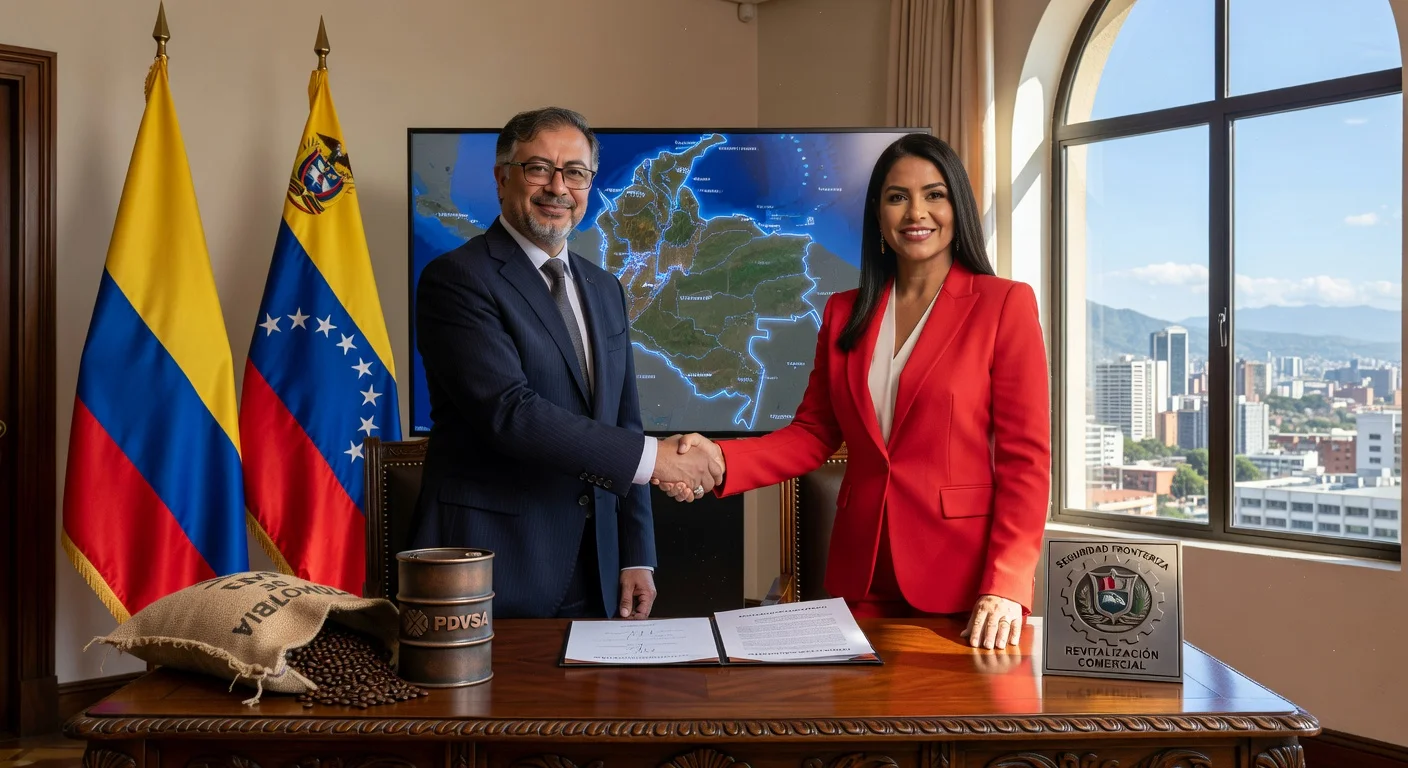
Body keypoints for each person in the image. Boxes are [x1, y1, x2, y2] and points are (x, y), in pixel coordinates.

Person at [659, 133, 1050, 649]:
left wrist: (1006, 583)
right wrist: (719, 459)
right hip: (860, 576)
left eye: (934, 194)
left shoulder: (1004, 305)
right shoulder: (845, 311)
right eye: (897, 196)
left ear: (958, 207)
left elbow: (1027, 462)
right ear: (878, 214)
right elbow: (813, 434)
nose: (917, 212)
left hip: (966, 585)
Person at [410, 107, 720, 620]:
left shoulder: (605, 288)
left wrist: (636, 554)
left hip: (597, 570)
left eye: (574, 172)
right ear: (502, 177)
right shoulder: (458, 280)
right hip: (495, 566)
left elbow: (624, 419)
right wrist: (658, 460)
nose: (558, 187)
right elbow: (511, 414)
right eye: (538, 168)